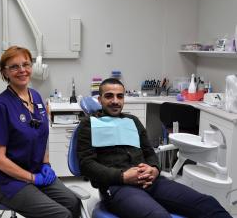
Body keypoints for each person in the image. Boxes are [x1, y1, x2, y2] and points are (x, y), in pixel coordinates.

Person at [77, 78, 232, 218]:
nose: (115, 101)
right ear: (100, 99)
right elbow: (86, 165)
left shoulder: (132, 121)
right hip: (117, 186)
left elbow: (149, 152)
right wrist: (122, 176)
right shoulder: (89, 125)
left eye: (120, 96)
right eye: (109, 96)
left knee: (206, 203)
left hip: (151, 181)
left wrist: (154, 169)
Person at [0, 46, 80, 218]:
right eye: (14, 66)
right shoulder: (0, 106)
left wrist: (46, 164)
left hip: (35, 170)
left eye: (26, 64)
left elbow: (41, 135)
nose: (22, 70)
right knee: (60, 214)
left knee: (73, 202)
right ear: (5, 73)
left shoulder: (36, 96)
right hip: (8, 180)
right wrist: (32, 179)